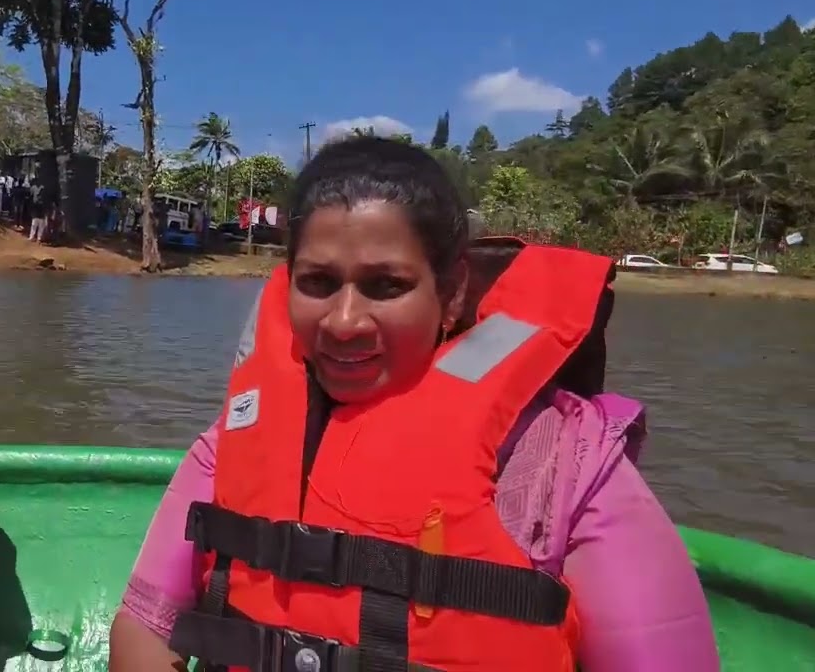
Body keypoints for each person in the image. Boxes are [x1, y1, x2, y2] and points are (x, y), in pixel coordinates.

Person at [108, 137, 719, 672]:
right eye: (318, 283)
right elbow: (146, 625)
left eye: (387, 286)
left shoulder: (565, 465)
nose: (344, 321)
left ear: (450, 294)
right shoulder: (232, 441)